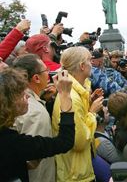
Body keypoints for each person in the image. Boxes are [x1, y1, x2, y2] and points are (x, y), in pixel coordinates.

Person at [0, 68, 75, 182]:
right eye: (22, 94)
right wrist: (64, 95)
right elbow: (64, 142)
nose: (28, 96)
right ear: (7, 103)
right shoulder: (12, 142)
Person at [52, 46, 103, 182]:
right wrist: (92, 112)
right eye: (89, 60)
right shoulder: (72, 97)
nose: (91, 63)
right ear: (81, 66)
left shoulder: (78, 90)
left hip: (79, 170)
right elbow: (79, 142)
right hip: (75, 176)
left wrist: (89, 100)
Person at [12, 54, 55, 182]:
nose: (49, 74)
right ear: (36, 78)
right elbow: (34, 160)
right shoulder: (35, 112)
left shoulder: (17, 100)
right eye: (46, 70)